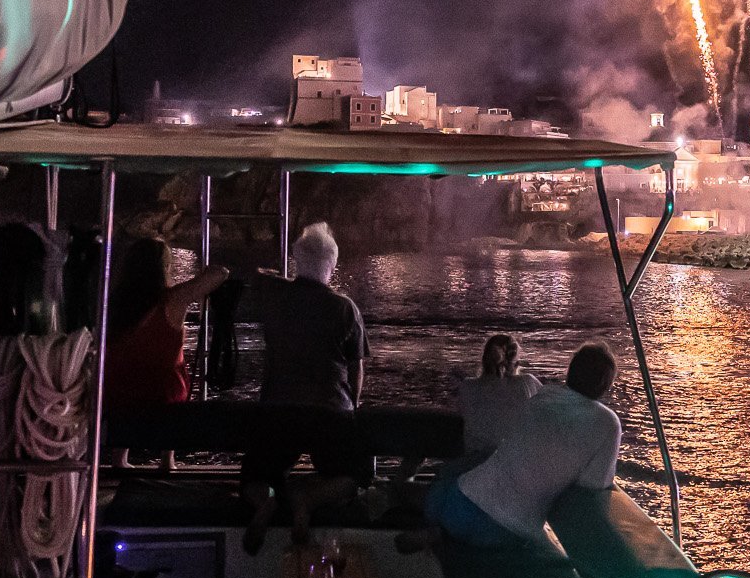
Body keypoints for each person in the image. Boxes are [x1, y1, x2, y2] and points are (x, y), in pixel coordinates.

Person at [405, 343, 620, 552]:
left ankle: (431, 523)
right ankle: (443, 534)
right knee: (491, 528)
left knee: (453, 485)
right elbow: (594, 483)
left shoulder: (543, 396)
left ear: (571, 372)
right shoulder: (608, 422)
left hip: (456, 499)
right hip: (502, 529)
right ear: (604, 384)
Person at [239, 222, 371, 553]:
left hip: (278, 408)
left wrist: (283, 280)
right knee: (352, 478)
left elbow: (253, 272)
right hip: (329, 409)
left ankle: (267, 502)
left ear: (297, 260)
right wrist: (350, 406)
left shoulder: (273, 293)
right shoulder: (345, 308)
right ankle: (308, 501)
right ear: (333, 265)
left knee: (254, 479)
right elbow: (356, 368)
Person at [103, 236, 230, 411]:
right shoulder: (171, 301)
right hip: (162, 404)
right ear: (163, 269)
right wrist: (203, 274)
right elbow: (220, 274)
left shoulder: (112, 305)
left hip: (116, 401)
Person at [457, 333, 541, 460]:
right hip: (515, 463)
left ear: (484, 360)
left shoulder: (467, 386)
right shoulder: (527, 382)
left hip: (475, 463)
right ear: (516, 362)